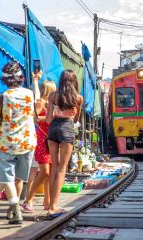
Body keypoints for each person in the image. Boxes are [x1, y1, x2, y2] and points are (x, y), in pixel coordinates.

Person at [0, 62, 37, 224]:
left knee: (7, 179)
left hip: (7, 143)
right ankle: (13, 206)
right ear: (20, 78)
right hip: (27, 142)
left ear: (5, 80)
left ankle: (15, 209)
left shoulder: (2, 97)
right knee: (19, 178)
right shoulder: (29, 94)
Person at [46, 70, 83, 218]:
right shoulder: (78, 99)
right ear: (74, 82)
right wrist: (72, 112)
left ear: (61, 81)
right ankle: (54, 206)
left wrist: (56, 111)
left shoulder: (52, 96)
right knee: (62, 169)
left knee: (54, 167)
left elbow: (48, 119)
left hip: (53, 129)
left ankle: (50, 204)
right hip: (67, 129)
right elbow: (75, 120)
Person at [22, 76, 56, 213]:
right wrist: (48, 118)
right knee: (44, 172)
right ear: (50, 90)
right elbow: (32, 117)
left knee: (50, 173)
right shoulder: (42, 102)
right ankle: (28, 200)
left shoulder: (52, 104)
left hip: (51, 139)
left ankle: (47, 201)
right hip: (42, 140)